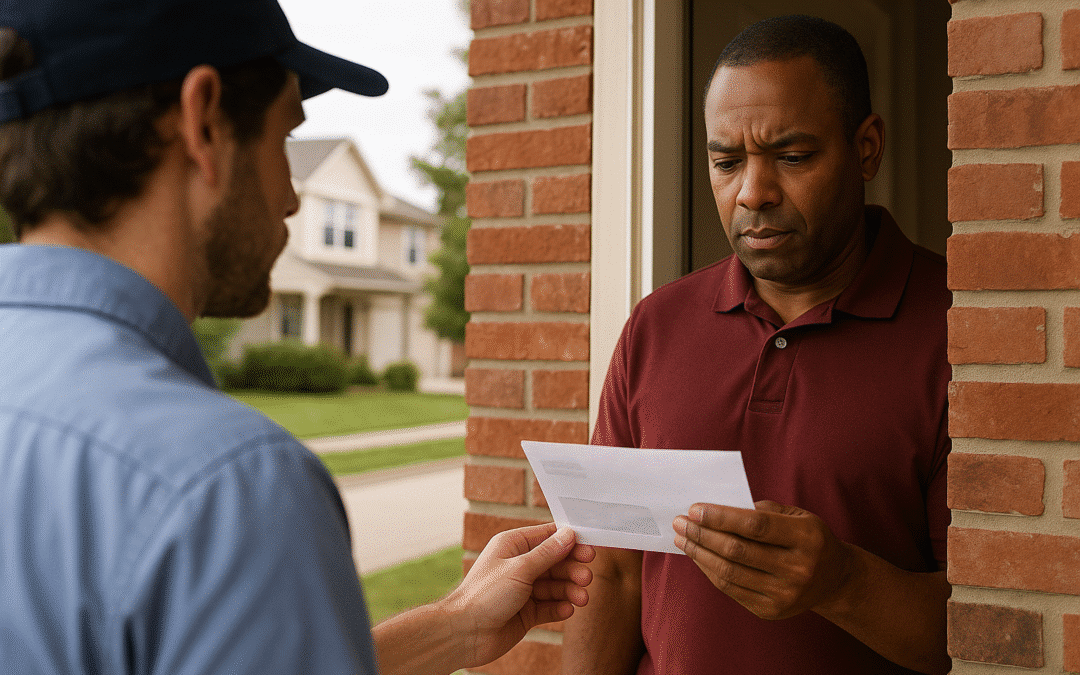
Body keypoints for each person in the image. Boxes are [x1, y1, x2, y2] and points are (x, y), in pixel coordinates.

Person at [0, 1, 594, 674]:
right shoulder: (229, 488)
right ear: (203, 121)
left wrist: (453, 628)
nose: (290, 198)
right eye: (285, 138)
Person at [563, 15, 950, 675]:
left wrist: (843, 582)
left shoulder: (957, 332)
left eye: (792, 156)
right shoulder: (656, 325)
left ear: (867, 148)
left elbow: (1008, 619)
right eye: (726, 160)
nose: (752, 192)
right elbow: (617, 570)